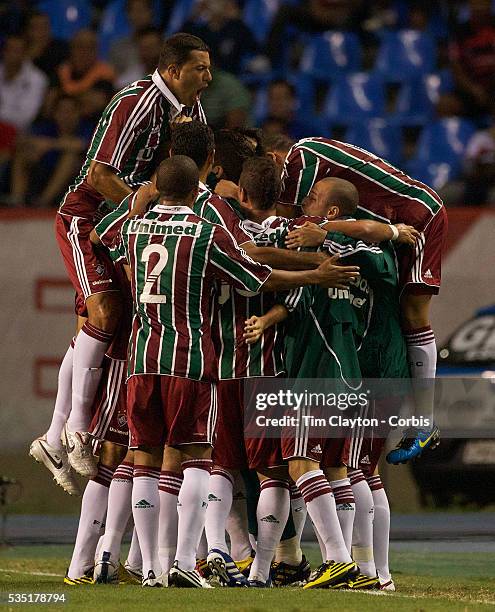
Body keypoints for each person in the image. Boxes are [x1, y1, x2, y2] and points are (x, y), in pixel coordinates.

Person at [109, 155, 361, 587]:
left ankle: (165, 562)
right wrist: (312, 277)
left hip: (181, 360)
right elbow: (256, 276)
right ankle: (259, 568)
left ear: (240, 194)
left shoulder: (139, 229)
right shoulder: (236, 237)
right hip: (251, 366)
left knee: (184, 464)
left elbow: (112, 247)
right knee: (263, 471)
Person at [30, 33, 211, 502]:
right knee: (105, 316)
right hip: (86, 216)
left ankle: (54, 437)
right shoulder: (137, 101)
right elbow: (98, 175)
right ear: (172, 70)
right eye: (200, 68)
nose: (208, 77)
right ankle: (72, 429)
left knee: (104, 328)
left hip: (126, 224)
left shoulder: (191, 114)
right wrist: (141, 207)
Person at [267, 134, 445, 463]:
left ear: (274, 156)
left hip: (418, 215)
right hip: (395, 219)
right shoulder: (308, 155)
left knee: (414, 313)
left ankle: (424, 421)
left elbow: (296, 221)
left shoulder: (298, 160)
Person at [0, 35, 48, 132]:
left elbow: (24, 118)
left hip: (19, 135)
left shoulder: (37, 79)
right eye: (9, 50)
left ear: (25, 53)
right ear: (3, 52)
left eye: (17, 51)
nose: (12, 54)